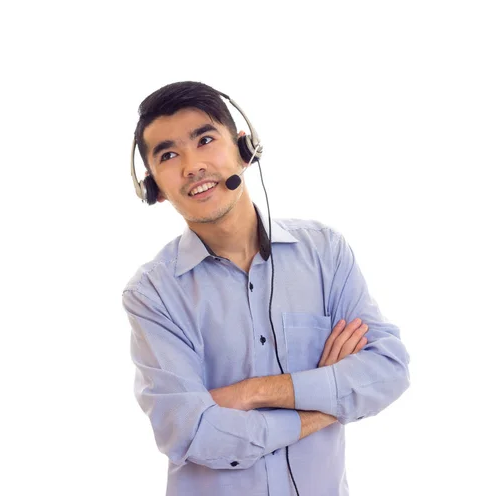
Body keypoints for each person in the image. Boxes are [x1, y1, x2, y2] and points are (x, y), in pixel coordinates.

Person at [122, 81, 410, 496]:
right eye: (169, 155)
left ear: (244, 148)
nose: (192, 166)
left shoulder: (324, 251)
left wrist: (252, 392)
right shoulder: (152, 295)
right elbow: (193, 433)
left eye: (205, 140)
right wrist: (329, 400)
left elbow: (388, 370)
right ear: (154, 187)